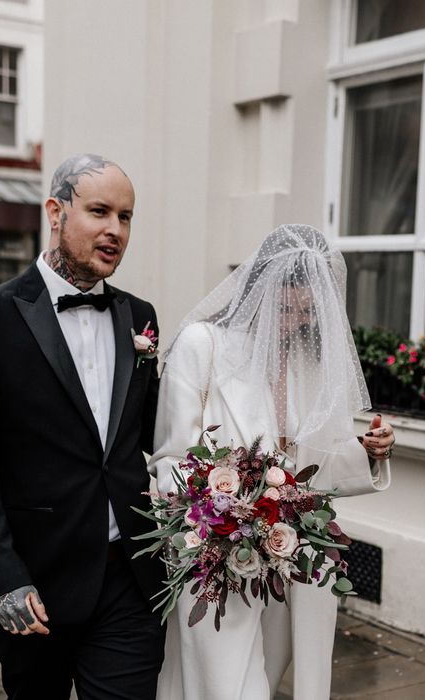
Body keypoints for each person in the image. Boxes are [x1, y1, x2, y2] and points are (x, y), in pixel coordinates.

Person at [0, 154, 166, 700]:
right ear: (55, 212)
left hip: (129, 581)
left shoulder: (140, 316)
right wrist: (1, 580)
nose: (116, 229)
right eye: (99, 211)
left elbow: (156, 434)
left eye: (127, 216)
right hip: (33, 586)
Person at [148, 224, 394, 700]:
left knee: (274, 676)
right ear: (258, 285)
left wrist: (366, 452)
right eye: (285, 305)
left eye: (305, 311)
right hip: (217, 558)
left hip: (290, 559)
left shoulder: (306, 365)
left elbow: (309, 468)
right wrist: (223, 519)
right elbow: (171, 458)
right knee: (229, 689)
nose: (293, 321)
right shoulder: (203, 344)